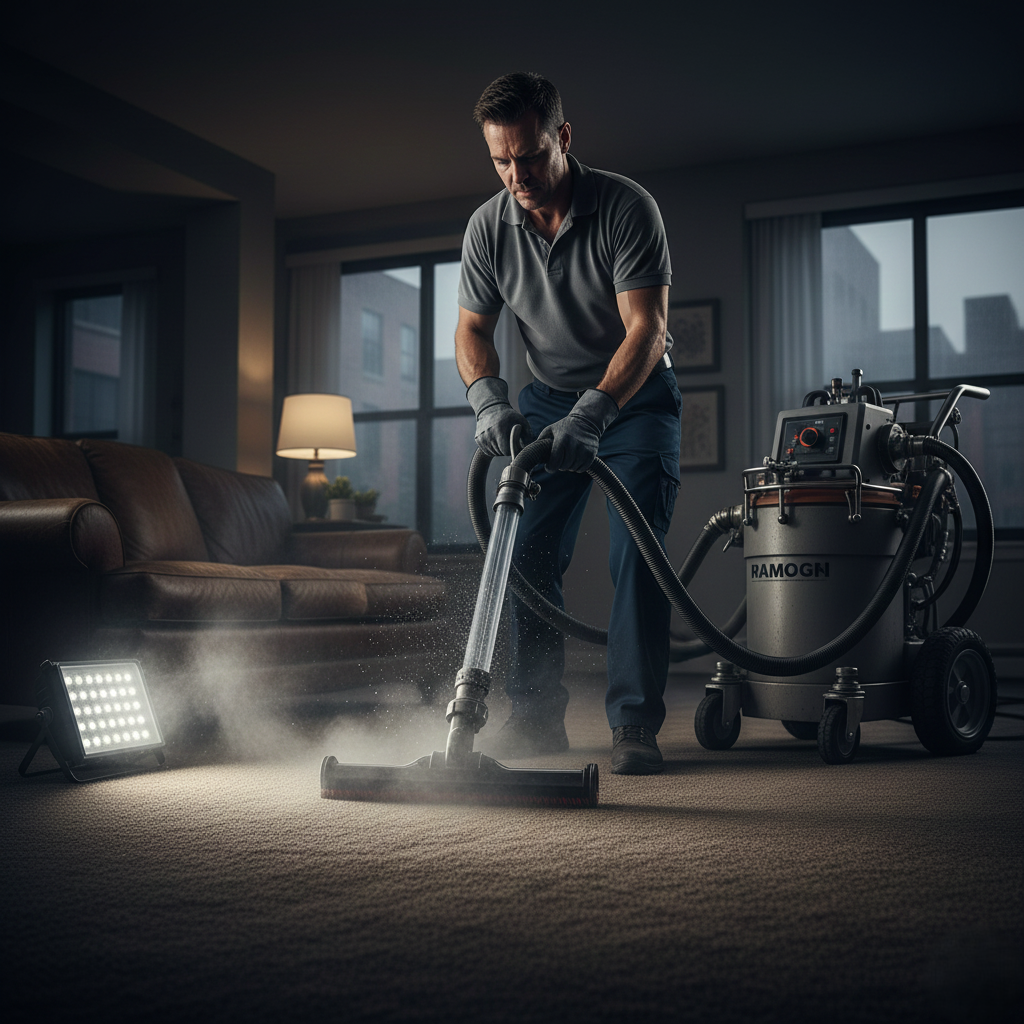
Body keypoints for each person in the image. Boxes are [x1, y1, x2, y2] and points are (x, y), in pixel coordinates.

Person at [456, 71, 681, 775]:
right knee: (524, 551)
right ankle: (533, 718)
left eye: (528, 155)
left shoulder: (625, 207)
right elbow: (471, 333)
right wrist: (490, 401)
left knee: (635, 558)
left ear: (564, 135)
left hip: (634, 398)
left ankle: (634, 726)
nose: (516, 174)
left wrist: (599, 411)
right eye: (501, 160)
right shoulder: (489, 227)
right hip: (548, 399)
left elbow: (647, 330)